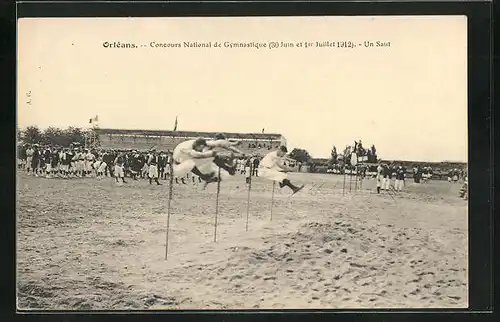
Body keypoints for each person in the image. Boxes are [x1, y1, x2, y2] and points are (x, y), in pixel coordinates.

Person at [171, 134, 240, 186]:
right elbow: (200, 155)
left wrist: (235, 144)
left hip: (188, 159)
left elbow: (223, 143)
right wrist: (212, 154)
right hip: (180, 162)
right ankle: (207, 176)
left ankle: (207, 176)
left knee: (210, 158)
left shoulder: (207, 143)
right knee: (209, 158)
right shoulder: (189, 150)